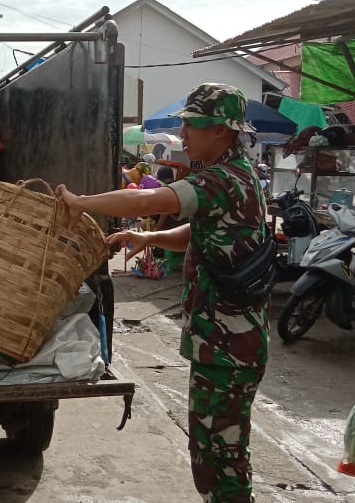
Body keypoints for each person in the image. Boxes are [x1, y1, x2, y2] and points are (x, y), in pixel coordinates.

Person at [57, 83, 270, 503]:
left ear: (221, 131)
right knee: (214, 450)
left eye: (192, 125)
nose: (183, 134)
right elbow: (200, 232)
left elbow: (149, 201)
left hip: (227, 347)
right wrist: (149, 239)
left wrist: (82, 202)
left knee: (222, 458)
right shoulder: (238, 176)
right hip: (226, 343)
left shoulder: (222, 179)